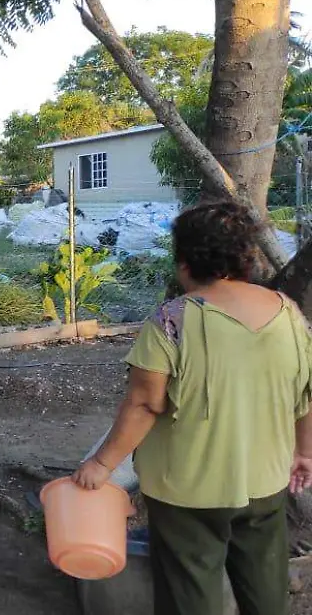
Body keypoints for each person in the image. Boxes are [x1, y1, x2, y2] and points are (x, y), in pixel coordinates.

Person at [73, 200, 312, 615]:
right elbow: (306, 393)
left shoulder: (172, 320)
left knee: (190, 596)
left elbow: (145, 404)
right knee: (264, 588)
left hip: (187, 493)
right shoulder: (289, 315)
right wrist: (304, 452)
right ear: (247, 257)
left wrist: (102, 464)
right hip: (265, 483)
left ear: (184, 261)